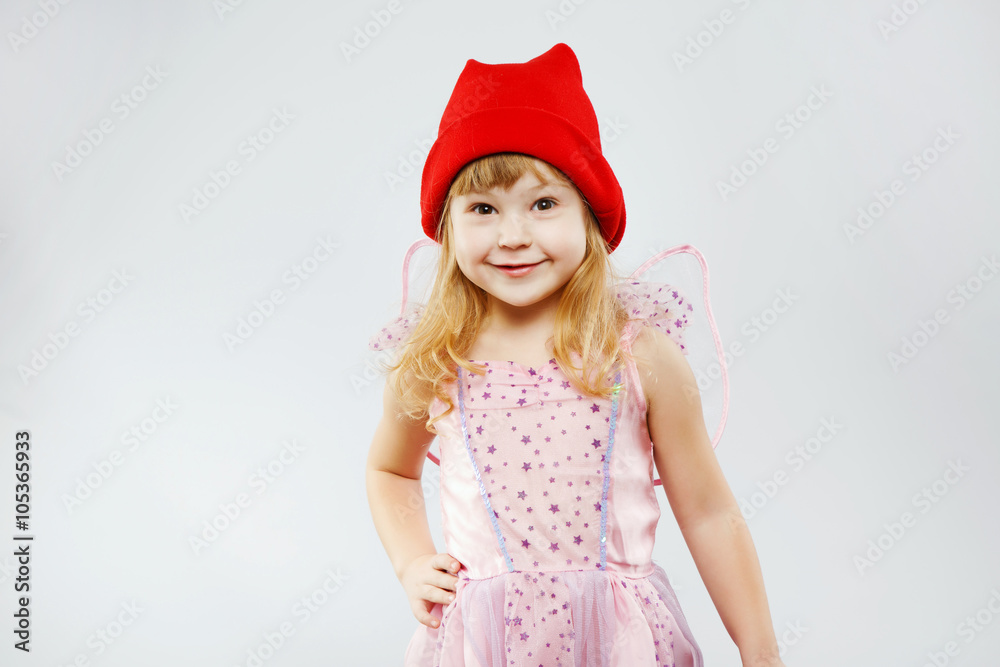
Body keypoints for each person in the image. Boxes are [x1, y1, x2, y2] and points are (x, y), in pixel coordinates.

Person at [366, 43, 787, 667]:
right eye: (483, 209)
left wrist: (762, 653)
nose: (513, 236)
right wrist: (410, 561)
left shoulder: (637, 355)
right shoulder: (438, 361)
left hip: (618, 644)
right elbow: (390, 472)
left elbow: (708, 511)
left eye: (543, 204)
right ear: (447, 226)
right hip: (485, 645)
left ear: (588, 215)